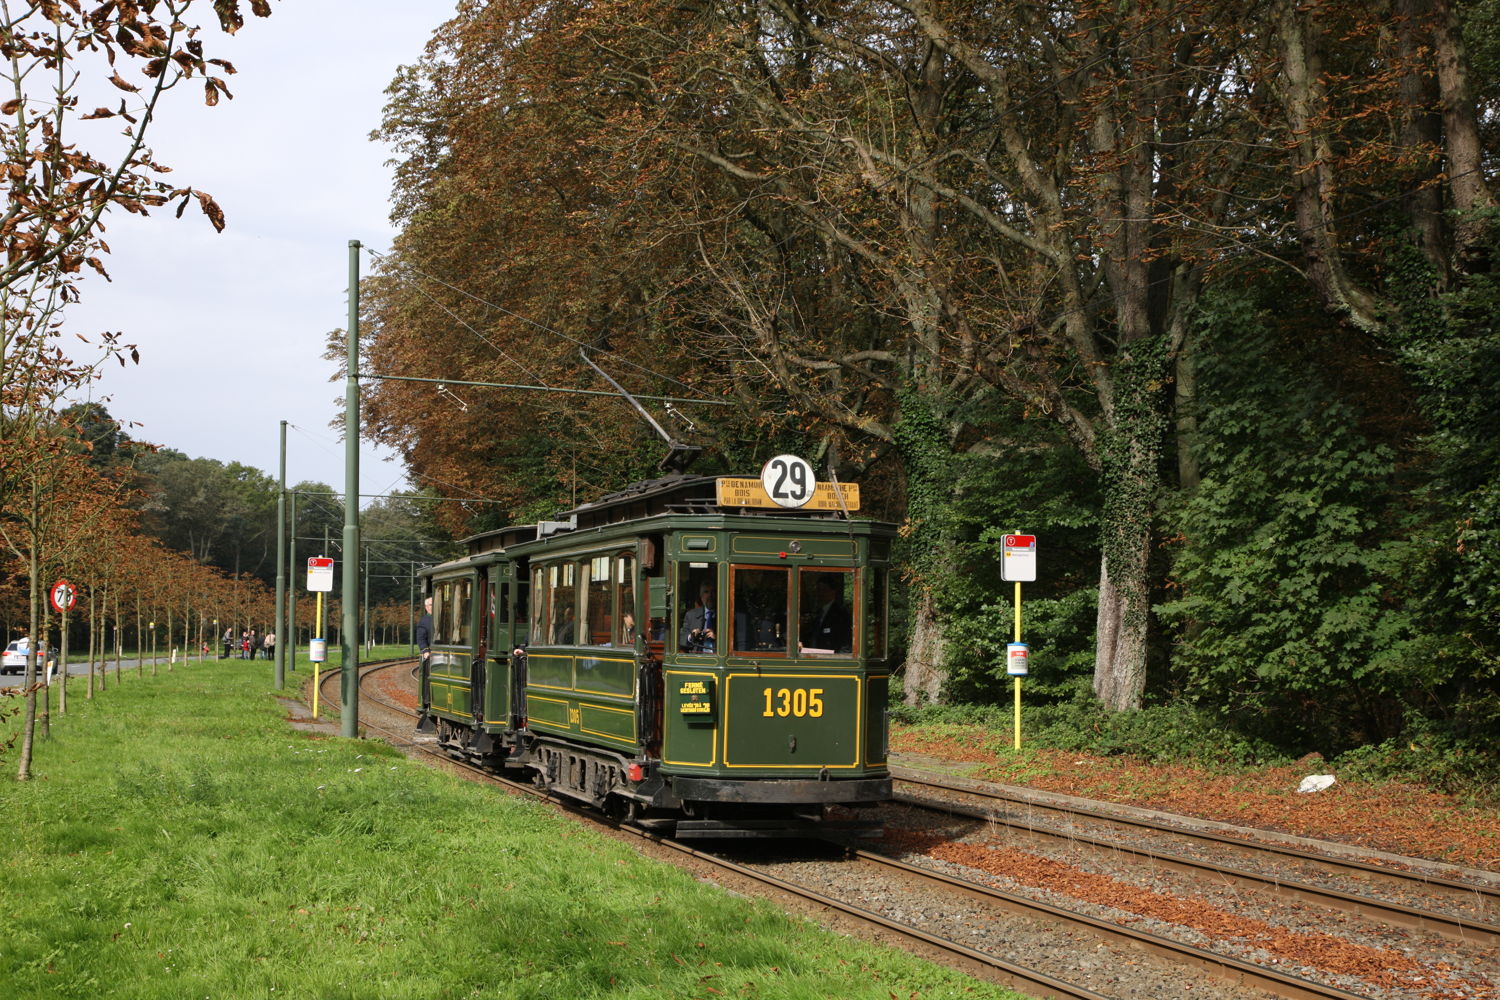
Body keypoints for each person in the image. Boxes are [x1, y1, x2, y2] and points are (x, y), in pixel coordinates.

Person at [806, 576, 852, 653]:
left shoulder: (840, 614)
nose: (820, 594)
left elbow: (845, 643)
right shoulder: (819, 613)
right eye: (818, 590)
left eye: (823, 590)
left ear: (833, 591)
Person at [681, 584, 716, 653]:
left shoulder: (727, 615)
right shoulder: (691, 615)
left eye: (713, 592)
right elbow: (682, 639)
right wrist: (691, 636)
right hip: (697, 658)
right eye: (706, 592)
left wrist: (717, 639)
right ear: (701, 596)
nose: (710, 595)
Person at [415, 597, 432, 663]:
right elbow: (421, 639)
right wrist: (425, 651)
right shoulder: (423, 622)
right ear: (426, 607)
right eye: (431, 605)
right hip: (432, 653)